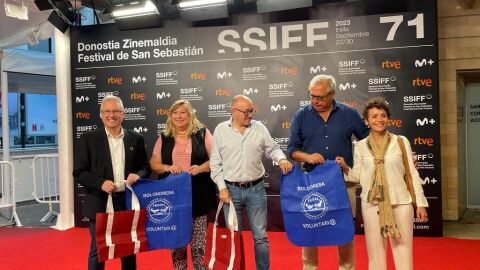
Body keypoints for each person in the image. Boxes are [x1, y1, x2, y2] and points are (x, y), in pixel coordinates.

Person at [287, 74, 369, 270]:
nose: (315, 101)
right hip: (311, 183)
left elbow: (368, 142)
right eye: (311, 96)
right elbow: (292, 150)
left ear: (332, 94)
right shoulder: (301, 115)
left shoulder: (349, 113)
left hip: (342, 182)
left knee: (344, 229)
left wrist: (398, 152)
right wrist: (307, 157)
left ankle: (346, 267)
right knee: (309, 229)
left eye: (320, 97)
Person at [336, 97, 428, 270]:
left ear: (388, 118)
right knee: (375, 253)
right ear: (366, 121)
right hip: (371, 204)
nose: (379, 120)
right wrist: (345, 168)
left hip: (401, 202)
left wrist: (420, 203)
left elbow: (412, 173)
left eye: (383, 115)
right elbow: (359, 176)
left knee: (403, 251)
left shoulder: (401, 141)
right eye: (374, 116)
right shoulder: (361, 146)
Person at [210, 95, 293, 270]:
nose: (250, 115)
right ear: (233, 111)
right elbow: (215, 163)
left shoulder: (259, 128)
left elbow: (273, 149)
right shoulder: (220, 130)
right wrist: (222, 189)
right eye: (246, 112)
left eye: (252, 111)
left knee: (261, 237)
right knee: (235, 236)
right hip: (230, 191)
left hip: (256, 189)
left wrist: (282, 160)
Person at [73, 95, 150, 270]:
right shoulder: (88, 139)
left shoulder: (136, 139)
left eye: (116, 111)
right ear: (101, 115)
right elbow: (79, 172)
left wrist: (137, 175)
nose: (111, 115)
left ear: (123, 114)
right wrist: (100, 183)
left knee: (128, 248)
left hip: (128, 201)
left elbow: (145, 167)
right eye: (107, 111)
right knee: (98, 250)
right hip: (100, 202)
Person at [150, 99, 216, 270]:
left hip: (199, 194)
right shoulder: (164, 137)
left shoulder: (202, 133)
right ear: (170, 116)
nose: (179, 116)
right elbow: (154, 164)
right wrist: (167, 167)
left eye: (183, 112)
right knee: (177, 240)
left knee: (198, 242)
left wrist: (202, 167)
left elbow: (217, 160)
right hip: (173, 196)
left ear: (190, 114)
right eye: (175, 113)